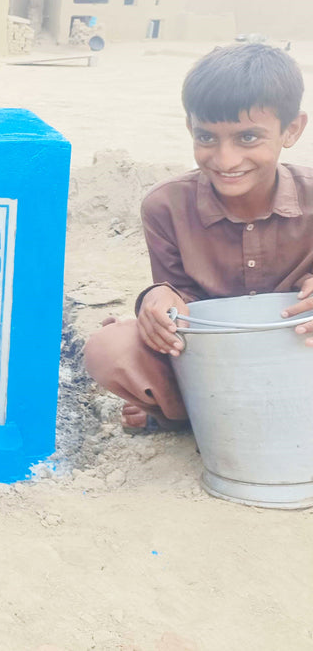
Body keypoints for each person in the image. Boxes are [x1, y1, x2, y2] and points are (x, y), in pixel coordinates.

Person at [84, 43, 313, 432]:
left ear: (291, 130)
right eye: (207, 138)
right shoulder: (165, 206)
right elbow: (182, 300)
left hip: (298, 358)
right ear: (190, 128)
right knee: (110, 348)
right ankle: (189, 414)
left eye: (248, 138)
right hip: (212, 364)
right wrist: (157, 297)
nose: (225, 161)